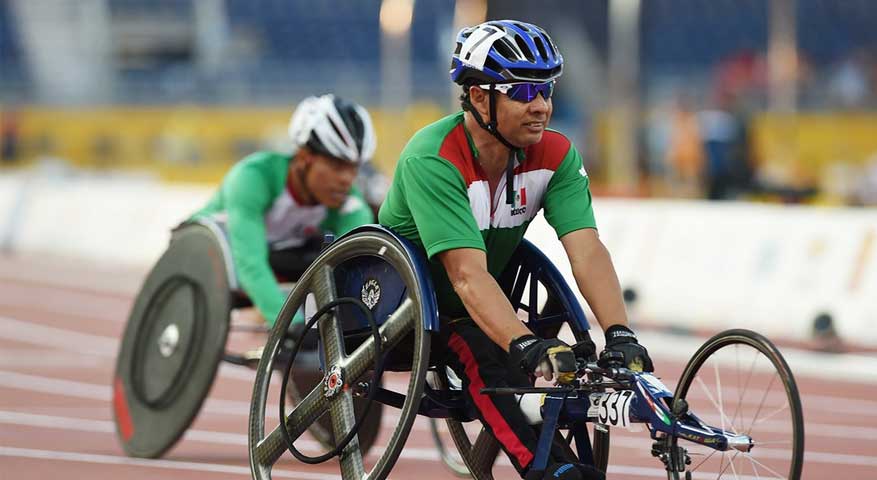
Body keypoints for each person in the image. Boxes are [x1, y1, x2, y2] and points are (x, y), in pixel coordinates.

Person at [378, 20, 653, 480]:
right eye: (523, 93)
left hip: (484, 301)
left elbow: (586, 251)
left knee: (562, 360)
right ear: (480, 96)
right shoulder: (434, 156)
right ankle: (552, 471)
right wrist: (525, 344)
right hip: (407, 306)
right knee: (490, 355)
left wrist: (619, 333)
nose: (541, 107)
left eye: (546, 90)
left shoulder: (556, 155)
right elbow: (464, 275)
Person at [191, 94, 376, 327]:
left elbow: (352, 271)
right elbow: (250, 263)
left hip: (273, 259)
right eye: (337, 166)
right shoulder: (254, 177)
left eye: (354, 168)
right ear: (304, 158)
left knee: (326, 259)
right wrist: (293, 327)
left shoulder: (349, 205)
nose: (347, 180)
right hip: (208, 255)